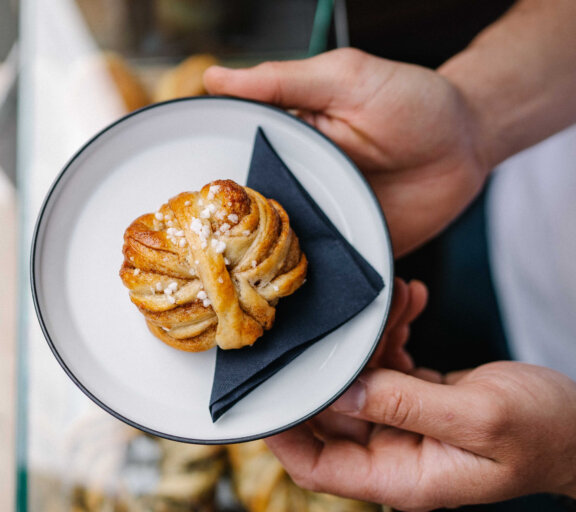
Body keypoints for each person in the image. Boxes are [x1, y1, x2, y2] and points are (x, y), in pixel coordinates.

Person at [203, 0, 576, 509]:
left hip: (550, 414)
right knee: (420, 307)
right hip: (510, 198)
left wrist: (568, 458)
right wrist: (474, 116)